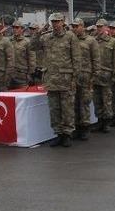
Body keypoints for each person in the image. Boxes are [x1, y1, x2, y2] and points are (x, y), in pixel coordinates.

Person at [30, 13, 81, 147]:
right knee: (54, 109)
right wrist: (39, 31)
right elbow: (32, 46)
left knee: (67, 109)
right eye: (53, 22)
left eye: (57, 21)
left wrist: (74, 78)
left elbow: (76, 59)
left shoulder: (70, 37)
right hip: (51, 79)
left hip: (66, 79)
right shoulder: (46, 37)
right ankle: (58, 134)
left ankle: (67, 134)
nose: (55, 24)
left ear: (63, 22)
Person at [71, 18, 99, 140]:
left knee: (84, 103)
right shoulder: (70, 40)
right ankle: (76, 127)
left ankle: (85, 127)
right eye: (73, 26)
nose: (74, 28)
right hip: (73, 76)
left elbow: (96, 59)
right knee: (73, 103)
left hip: (86, 76)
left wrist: (94, 76)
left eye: (77, 26)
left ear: (82, 26)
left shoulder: (91, 41)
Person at [92, 19, 115, 132]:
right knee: (97, 101)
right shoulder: (93, 41)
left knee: (107, 100)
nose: (99, 29)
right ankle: (99, 121)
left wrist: (114, 76)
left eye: (101, 27)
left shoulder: (112, 42)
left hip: (107, 76)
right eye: (97, 27)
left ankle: (106, 122)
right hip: (96, 76)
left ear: (106, 28)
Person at [10, 22, 36, 89]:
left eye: (17, 27)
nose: (15, 29)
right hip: (9, 75)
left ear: (22, 29)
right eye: (13, 27)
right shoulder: (8, 41)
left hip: (22, 75)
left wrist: (30, 74)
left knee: (22, 95)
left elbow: (31, 59)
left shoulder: (27, 42)